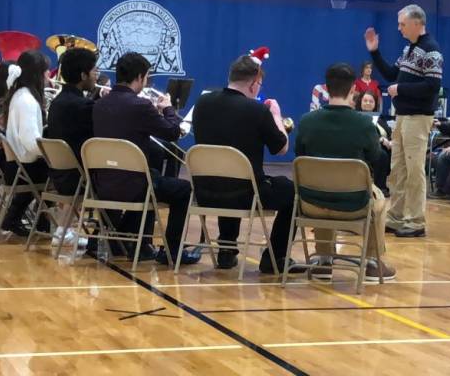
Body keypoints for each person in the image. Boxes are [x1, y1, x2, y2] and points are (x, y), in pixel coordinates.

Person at [192, 55, 304, 273]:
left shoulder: (202, 103)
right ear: (254, 83)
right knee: (291, 190)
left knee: (226, 173)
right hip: (246, 195)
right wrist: (276, 114)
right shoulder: (257, 111)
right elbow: (281, 149)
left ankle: (226, 249)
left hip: (203, 192)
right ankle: (276, 257)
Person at [92, 52, 199, 266]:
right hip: (134, 185)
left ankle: (132, 241)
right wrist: (167, 108)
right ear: (140, 77)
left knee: (153, 175)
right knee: (183, 189)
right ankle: (171, 251)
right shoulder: (140, 106)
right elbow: (172, 132)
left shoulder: (99, 104)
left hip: (102, 183)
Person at [295, 63, 396, 280]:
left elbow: (299, 156)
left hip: (312, 204)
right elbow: (377, 158)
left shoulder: (306, 122)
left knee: (321, 183)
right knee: (378, 200)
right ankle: (371, 261)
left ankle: (323, 260)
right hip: (354, 205)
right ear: (353, 90)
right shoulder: (363, 124)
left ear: (327, 88)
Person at [365, 4, 443, 238]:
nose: (399, 28)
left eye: (402, 24)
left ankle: (415, 220)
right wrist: (375, 52)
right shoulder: (410, 49)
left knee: (414, 170)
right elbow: (391, 74)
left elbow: (433, 86)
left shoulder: (431, 51)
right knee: (397, 169)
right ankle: (396, 216)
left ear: (417, 23)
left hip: (417, 118)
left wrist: (402, 89)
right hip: (402, 117)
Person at [1, 51, 51, 237]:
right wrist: (50, 153)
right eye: (45, 71)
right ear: (37, 74)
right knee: (63, 172)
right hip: (24, 168)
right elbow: (31, 142)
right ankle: (45, 222)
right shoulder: (27, 100)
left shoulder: (20, 94)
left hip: (17, 166)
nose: (48, 76)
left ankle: (15, 217)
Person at [46, 48, 98, 194]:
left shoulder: (56, 102)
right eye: (94, 72)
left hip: (59, 177)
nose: (96, 76)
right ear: (83, 75)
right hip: (79, 181)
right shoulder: (83, 106)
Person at [356, 90, 392, 194]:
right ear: (360, 102)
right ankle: (380, 188)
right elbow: (362, 134)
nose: (367, 103)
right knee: (381, 155)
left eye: (371, 101)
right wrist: (380, 139)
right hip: (365, 147)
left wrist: (391, 141)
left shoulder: (380, 119)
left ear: (375, 104)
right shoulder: (357, 117)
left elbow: (388, 133)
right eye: (365, 100)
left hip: (385, 146)